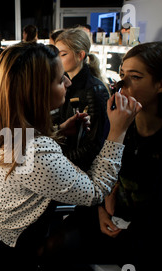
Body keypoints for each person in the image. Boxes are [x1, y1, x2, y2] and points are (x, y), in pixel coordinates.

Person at [0, 41, 141, 271]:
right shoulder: (36, 150)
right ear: (37, 91)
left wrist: (60, 131)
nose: (68, 84)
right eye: (61, 80)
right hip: (7, 245)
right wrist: (118, 132)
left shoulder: (4, 123)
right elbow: (95, 191)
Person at [61, 41, 162, 271]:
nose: (121, 85)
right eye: (122, 75)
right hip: (112, 220)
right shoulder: (117, 122)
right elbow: (101, 174)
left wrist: (122, 225)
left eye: (135, 77)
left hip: (150, 241)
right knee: (53, 247)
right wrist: (102, 208)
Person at [53, 28, 110, 171]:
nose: (57, 60)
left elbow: (94, 144)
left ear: (80, 55)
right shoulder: (66, 84)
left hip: (78, 168)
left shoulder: (94, 91)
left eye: (63, 54)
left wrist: (60, 160)